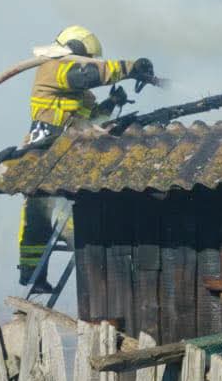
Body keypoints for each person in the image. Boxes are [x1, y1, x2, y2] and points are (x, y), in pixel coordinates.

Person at [20, 26, 154, 292]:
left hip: (65, 154)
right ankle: (33, 277)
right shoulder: (52, 69)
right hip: (42, 152)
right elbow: (87, 75)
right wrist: (131, 68)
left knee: (69, 216)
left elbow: (90, 122)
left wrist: (112, 103)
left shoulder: (81, 93)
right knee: (38, 219)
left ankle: (91, 272)